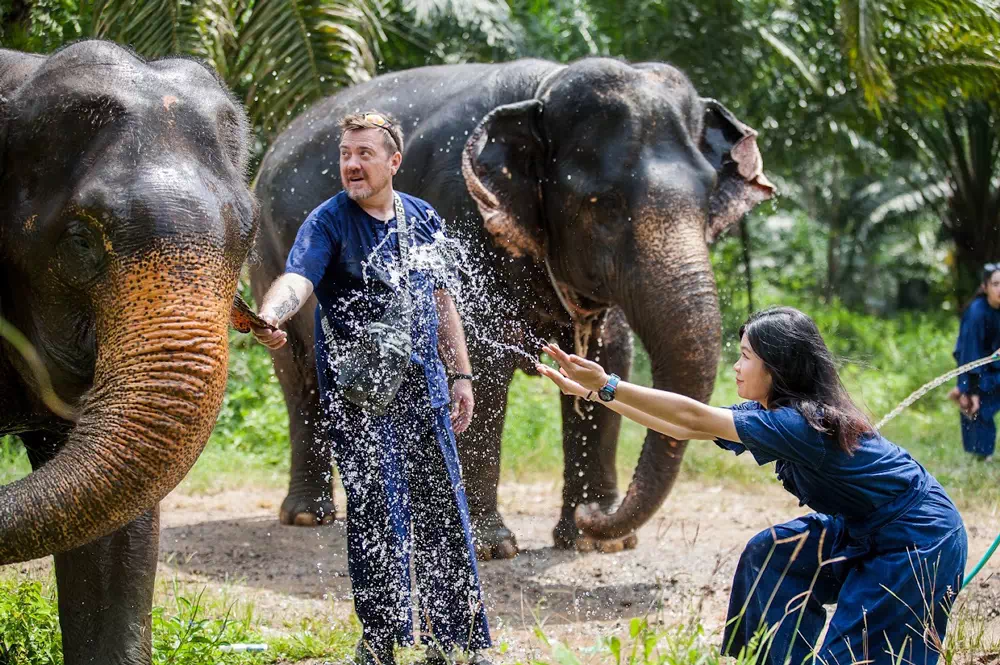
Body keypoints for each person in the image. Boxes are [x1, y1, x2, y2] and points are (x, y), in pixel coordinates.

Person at [536, 306, 967, 665]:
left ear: (776, 367)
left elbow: (691, 417)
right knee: (773, 555)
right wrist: (598, 396)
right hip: (864, 526)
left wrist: (608, 384)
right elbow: (685, 429)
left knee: (856, 657)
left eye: (745, 357)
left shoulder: (798, 424)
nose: (737, 368)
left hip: (916, 539)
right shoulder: (777, 414)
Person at [251, 111, 491, 665]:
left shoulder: (424, 218)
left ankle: (457, 641)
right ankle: (380, 642)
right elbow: (298, 279)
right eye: (345, 155)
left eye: (363, 154)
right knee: (376, 512)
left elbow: (442, 301)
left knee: (443, 510)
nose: (351, 165)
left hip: (425, 389)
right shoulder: (328, 221)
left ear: (393, 162)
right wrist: (272, 314)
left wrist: (461, 374)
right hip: (358, 399)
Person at [948, 263, 1000, 461]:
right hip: (979, 370)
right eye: (995, 284)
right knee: (977, 407)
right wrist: (970, 389)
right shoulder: (976, 313)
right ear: (985, 287)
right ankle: (982, 455)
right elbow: (969, 355)